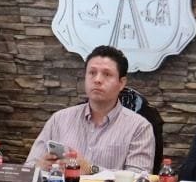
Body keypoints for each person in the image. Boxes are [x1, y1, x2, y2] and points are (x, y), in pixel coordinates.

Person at [23, 45, 155, 174]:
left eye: (107, 74)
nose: (97, 80)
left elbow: (139, 178)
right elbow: (27, 169)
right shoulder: (59, 119)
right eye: (92, 73)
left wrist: (91, 169)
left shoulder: (139, 127)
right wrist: (39, 166)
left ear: (121, 83)